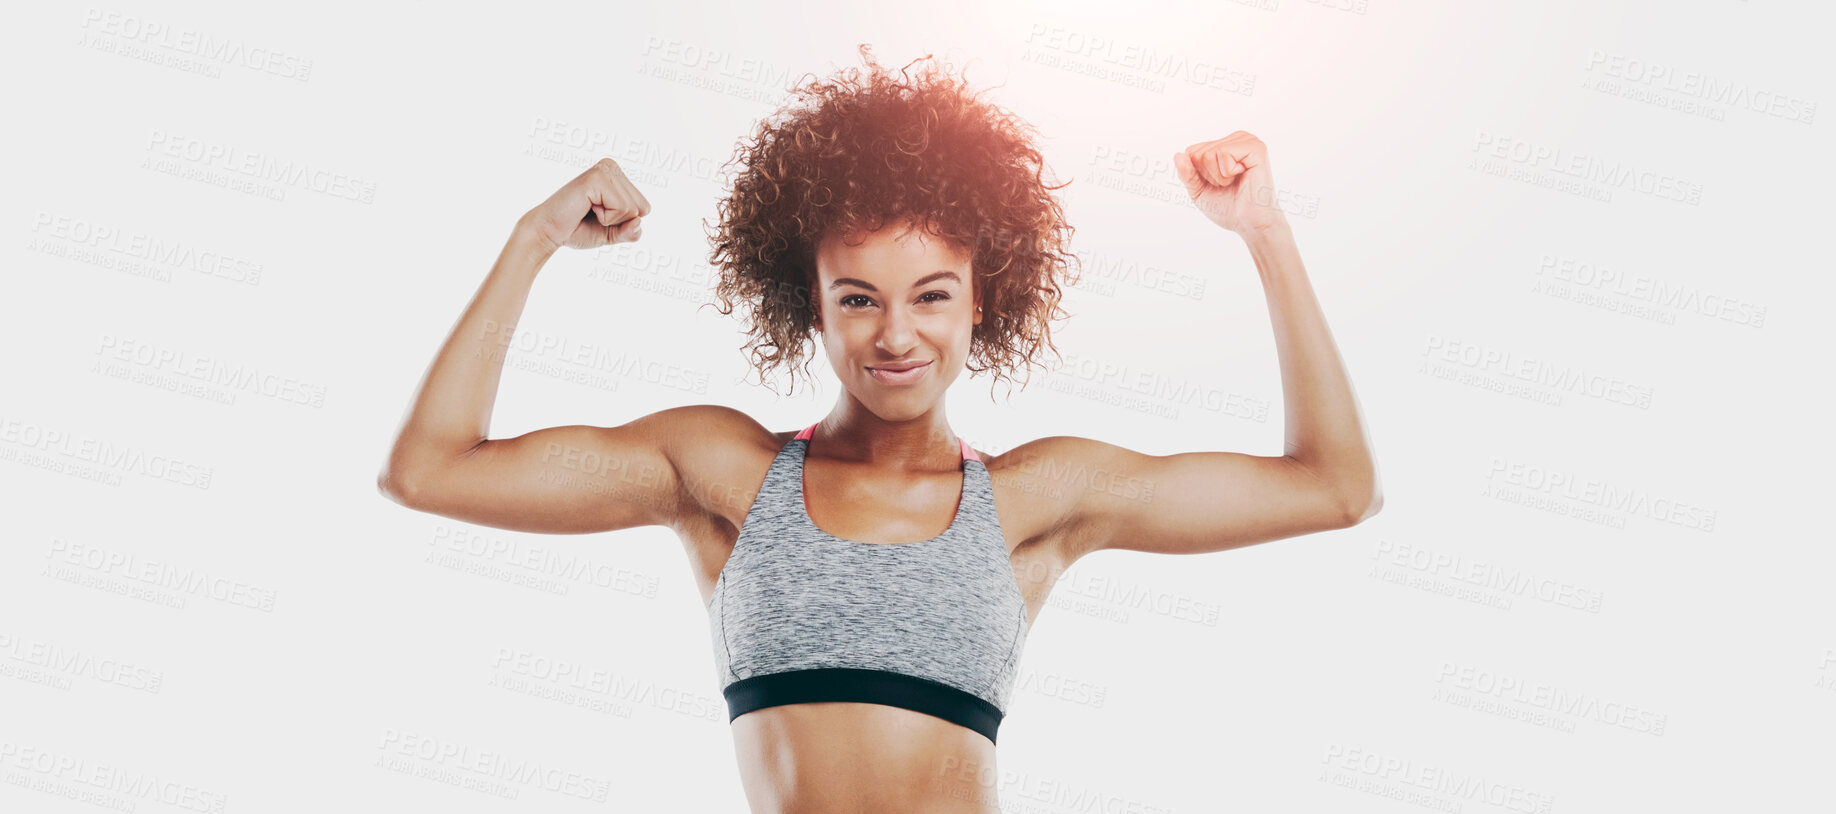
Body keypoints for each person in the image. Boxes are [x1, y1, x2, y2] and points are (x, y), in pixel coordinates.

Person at [378, 47, 1381, 814]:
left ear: (981, 302)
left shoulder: (1040, 497)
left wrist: (1265, 232)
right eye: (857, 298)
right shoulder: (722, 472)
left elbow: (1335, 487)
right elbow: (429, 470)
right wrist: (534, 239)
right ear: (808, 304)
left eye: (931, 296)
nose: (896, 334)